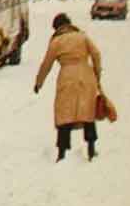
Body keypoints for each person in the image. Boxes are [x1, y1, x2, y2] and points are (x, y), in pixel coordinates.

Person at [34, 13, 103, 162]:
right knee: (88, 112)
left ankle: (62, 153)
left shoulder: (56, 41)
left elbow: (46, 64)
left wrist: (39, 82)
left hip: (67, 76)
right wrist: (97, 74)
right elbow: (96, 54)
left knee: (64, 114)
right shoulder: (82, 37)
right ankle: (91, 149)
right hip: (86, 74)